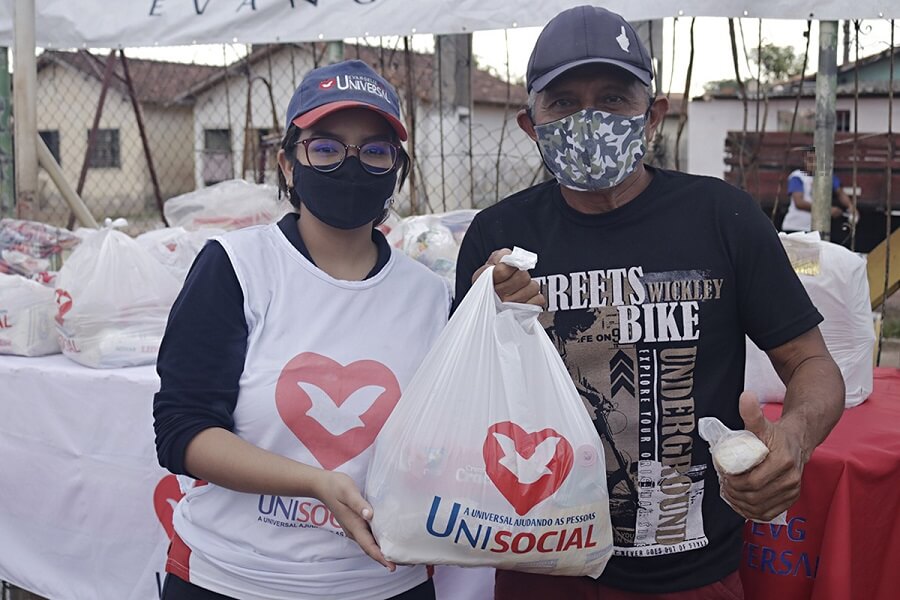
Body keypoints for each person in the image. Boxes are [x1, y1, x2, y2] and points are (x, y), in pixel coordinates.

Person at [453, 6, 845, 599]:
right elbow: (461, 400)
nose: (588, 119)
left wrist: (793, 438)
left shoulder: (725, 218)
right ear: (530, 125)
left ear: (653, 115)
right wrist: (490, 318)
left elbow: (811, 364)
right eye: (561, 103)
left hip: (690, 573)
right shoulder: (497, 238)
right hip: (540, 560)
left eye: (613, 98)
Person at [153, 59, 449, 600]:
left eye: (376, 150)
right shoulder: (236, 267)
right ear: (289, 163)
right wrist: (312, 481)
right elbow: (182, 433)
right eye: (327, 147)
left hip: (382, 584)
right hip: (233, 580)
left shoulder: (429, 297)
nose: (352, 165)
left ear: (397, 170)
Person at [781, 146, 858, 233]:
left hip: (816, 229)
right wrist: (826, 210)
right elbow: (799, 202)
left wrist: (850, 206)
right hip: (795, 227)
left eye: (815, 160)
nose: (812, 163)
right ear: (804, 161)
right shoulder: (797, 177)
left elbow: (840, 193)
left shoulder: (827, 177)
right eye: (809, 160)